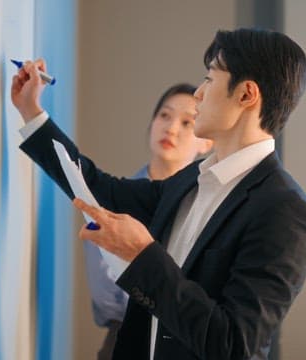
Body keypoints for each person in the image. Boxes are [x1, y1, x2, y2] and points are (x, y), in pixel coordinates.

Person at [11, 28, 306, 359]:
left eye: (210, 79)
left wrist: (142, 256)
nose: (199, 93)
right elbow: (99, 190)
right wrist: (32, 113)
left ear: (246, 94)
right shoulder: (193, 179)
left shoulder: (286, 212)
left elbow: (233, 345)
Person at [83, 83, 212, 360]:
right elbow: (106, 296)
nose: (171, 129)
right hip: (125, 338)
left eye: (187, 122)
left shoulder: (207, 208)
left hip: (186, 344)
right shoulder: (114, 201)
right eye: (164, 116)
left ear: (206, 141)